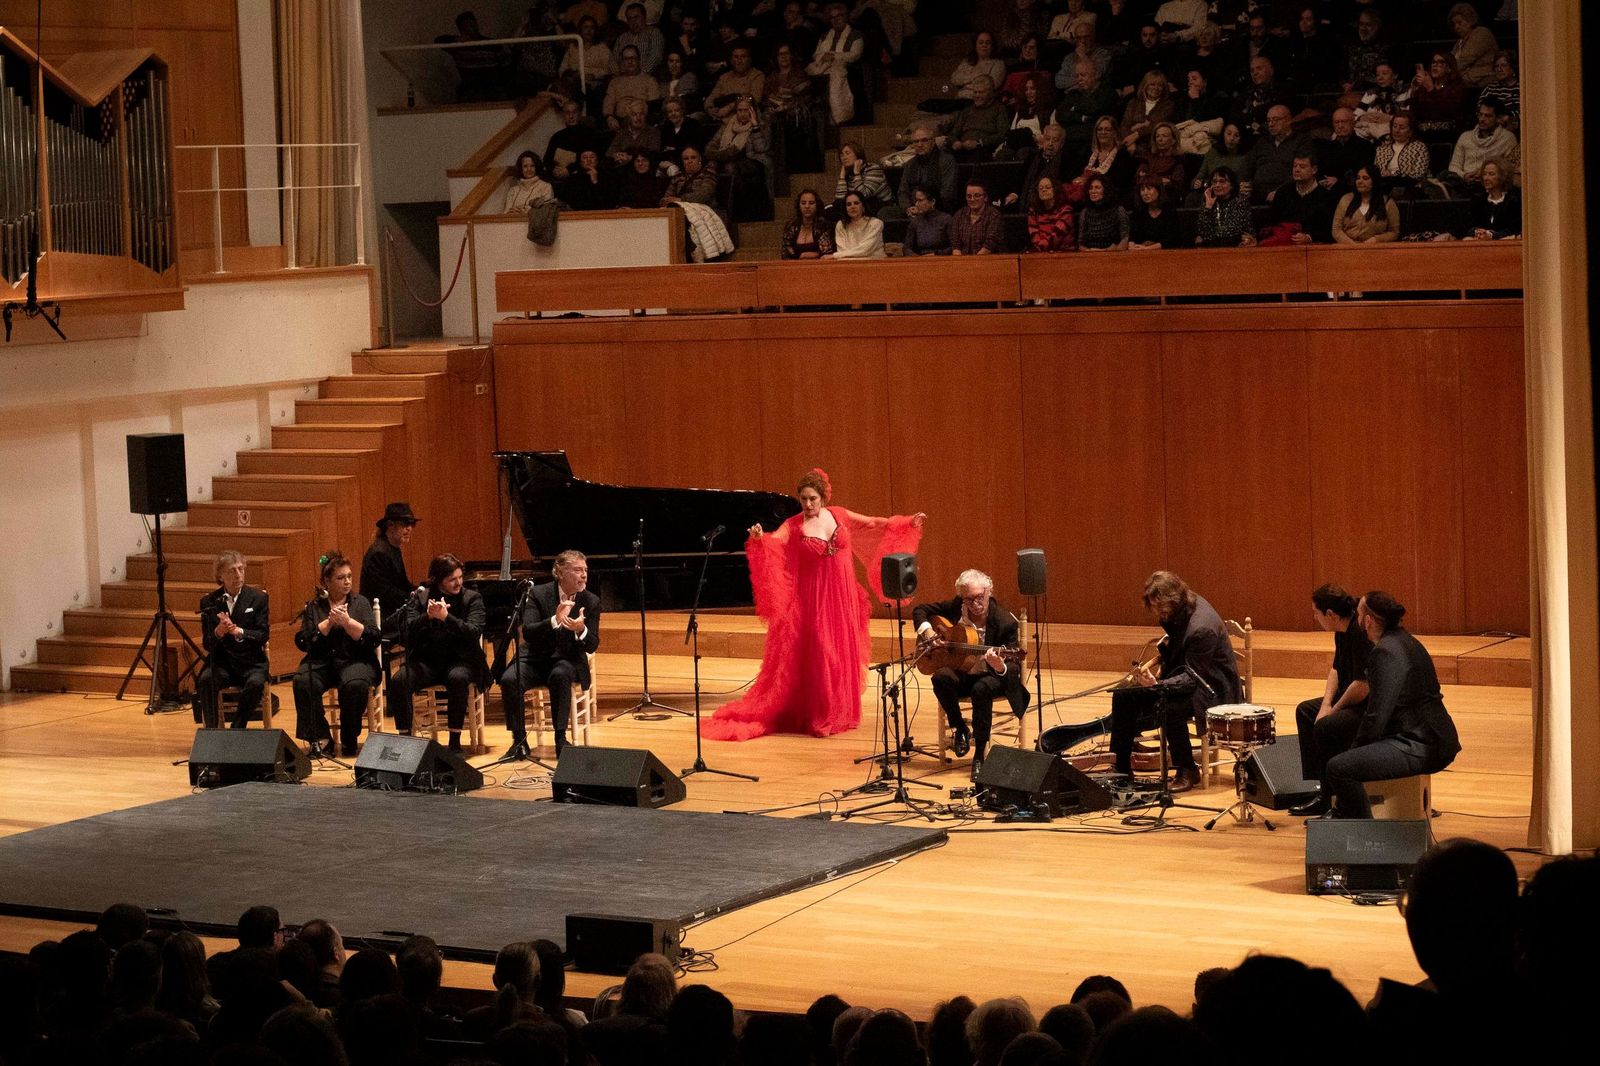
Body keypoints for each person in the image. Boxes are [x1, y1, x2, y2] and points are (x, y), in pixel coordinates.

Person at [700, 469, 923, 741]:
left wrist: (907, 522)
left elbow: (873, 524)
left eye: (813, 499)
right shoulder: (794, 525)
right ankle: (819, 714)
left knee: (841, 650)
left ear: (823, 497)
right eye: (804, 499)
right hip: (812, 601)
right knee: (821, 651)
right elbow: (775, 542)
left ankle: (840, 711)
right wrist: (760, 539)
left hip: (841, 597)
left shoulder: (839, 515)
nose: (808, 504)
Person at [1324, 591, 1461, 817]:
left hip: (1421, 743)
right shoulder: (1405, 640)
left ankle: (1360, 831)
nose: (1356, 620)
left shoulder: (1385, 652)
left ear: (1367, 621)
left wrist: (1355, 753)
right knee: (1340, 739)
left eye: (1358, 615)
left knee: (1340, 768)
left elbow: (1377, 716)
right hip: (1428, 735)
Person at [1108, 571, 1240, 792]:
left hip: (1212, 688)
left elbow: (1192, 679)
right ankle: (1121, 766)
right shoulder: (1182, 605)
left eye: (1162, 609)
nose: (1159, 614)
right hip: (1189, 677)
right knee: (1123, 696)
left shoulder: (1201, 628)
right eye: (1155, 608)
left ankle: (1187, 769)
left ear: (1174, 599)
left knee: (1169, 708)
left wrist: (1158, 685)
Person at [913, 570, 1029, 777]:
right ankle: (960, 729)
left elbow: (1012, 668)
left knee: (981, 689)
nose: (975, 603)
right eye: (969, 599)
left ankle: (979, 756)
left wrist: (999, 665)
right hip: (963, 673)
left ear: (989, 592)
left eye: (980, 597)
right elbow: (919, 610)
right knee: (941, 678)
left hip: (992, 678)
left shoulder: (1004, 621)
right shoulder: (956, 608)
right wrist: (928, 632)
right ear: (962, 597)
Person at [498, 550, 599, 760]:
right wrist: (555, 620)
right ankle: (519, 742)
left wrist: (581, 630)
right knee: (509, 679)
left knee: (560, 675)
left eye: (585, 570)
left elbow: (592, 645)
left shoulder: (591, 601)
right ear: (560, 572)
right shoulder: (538, 594)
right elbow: (528, 632)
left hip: (568, 659)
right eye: (578, 570)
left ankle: (561, 740)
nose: (584, 575)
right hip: (535, 657)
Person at [390, 553, 489, 752]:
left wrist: (446, 617)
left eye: (460, 577)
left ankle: (454, 741)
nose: (458, 582)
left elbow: (473, 632)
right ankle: (405, 739)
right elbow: (406, 631)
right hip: (427, 661)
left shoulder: (472, 598)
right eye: (452, 579)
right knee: (399, 680)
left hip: (461, 660)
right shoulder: (420, 597)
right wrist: (427, 616)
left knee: (457, 678)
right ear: (439, 580)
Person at [1288, 584, 1372, 816]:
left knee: (1326, 726)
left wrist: (1333, 710)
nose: (1315, 617)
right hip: (1351, 696)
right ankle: (1322, 792)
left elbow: (1362, 686)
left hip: (1367, 706)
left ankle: (1338, 801)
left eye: (1316, 612)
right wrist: (1325, 705)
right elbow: (1336, 669)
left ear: (1331, 615)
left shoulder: (1359, 633)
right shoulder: (1340, 630)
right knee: (1306, 711)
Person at [292, 551, 380, 758]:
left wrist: (348, 622)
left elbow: (374, 637)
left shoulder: (360, 603)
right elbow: (304, 642)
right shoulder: (314, 607)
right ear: (326, 582)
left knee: (354, 684)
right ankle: (321, 738)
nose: (347, 582)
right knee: (303, 681)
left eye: (349, 576)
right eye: (340, 578)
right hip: (323, 662)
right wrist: (329, 622)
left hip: (356, 660)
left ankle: (350, 738)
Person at [197, 551, 270, 730]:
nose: (238, 575)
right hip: (224, 663)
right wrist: (219, 632)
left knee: (255, 684)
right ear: (221, 576)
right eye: (232, 571)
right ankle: (212, 732)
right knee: (207, 679)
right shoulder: (209, 602)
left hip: (251, 662)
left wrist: (240, 632)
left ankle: (237, 727)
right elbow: (207, 643)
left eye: (240, 569)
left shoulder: (258, 598)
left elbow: (263, 635)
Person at [361, 502, 417, 638]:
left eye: (411, 524)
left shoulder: (392, 548)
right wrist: (413, 597)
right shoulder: (379, 552)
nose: (409, 529)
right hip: (382, 617)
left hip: (390, 611)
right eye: (405, 524)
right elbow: (385, 592)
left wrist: (421, 591)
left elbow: (401, 584)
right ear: (390, 525)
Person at [808, 3, 864, 126]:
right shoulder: (825, 36)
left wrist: (833, 55)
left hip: (847, 69)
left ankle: (839, 116)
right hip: (824, 69)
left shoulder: (855, 35)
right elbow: (816, 54)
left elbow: (855, 54)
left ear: (845, 17)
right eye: (832, 17)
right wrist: (824, 57)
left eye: (839, 16)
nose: (836, 20)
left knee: (837, 75)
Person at [1446, 100, 1518, 190]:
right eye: (1480, 114)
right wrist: (1465, 175)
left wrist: (1483, 174)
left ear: (1498, 118)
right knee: (1444, 176)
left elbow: (1510, 169)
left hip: (1492, 184)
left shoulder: (1507, 138)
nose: (1482, 119)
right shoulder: (1465, 137)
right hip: (1464, 183)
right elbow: (1454, 166)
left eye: (1488, 116)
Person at [1331, 164, 1400, 244]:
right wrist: (1352, 245)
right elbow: (1336, 230)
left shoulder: (1388, 203)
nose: (1360, 181)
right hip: (1347, 248)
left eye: (1365, 178)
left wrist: (1376, 240)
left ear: (1374, 181)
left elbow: (1394, 233)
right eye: (1358, 178)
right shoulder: (1346, 199)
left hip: (1375, 249)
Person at [897, 127, 958, 214]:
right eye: (916, 141)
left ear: (933, 141)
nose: (920, 144)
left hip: (937, 209)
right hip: (913, 209)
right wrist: (908, 208)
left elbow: (948, 193)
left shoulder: (946, 160)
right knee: (886, 212)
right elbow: (903, 191)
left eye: (924, 140)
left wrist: (925, 208)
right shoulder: (910, 164)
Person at [543, 98, 606, 181]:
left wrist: (569, 170)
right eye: (567, 113)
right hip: (558, 177)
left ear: (579, 114)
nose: (571, 116)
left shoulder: (589, 133)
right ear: (563, 115)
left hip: (582, 175)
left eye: (574, 112)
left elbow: (592, 157)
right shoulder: (557, 136)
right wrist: (554, 169)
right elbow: (547, 159)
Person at [1194, 165, 1253, 246]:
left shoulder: (1240, 203)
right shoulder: (1207, 204)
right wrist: (1208, 207)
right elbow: (1202, 232)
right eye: (1214, 182)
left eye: (1222, 181)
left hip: (1237, 247)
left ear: (1231, 185)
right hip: (1213, 248)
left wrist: (1208, 237)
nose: (1217, 185)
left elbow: (1234, 232)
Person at [832, 141, 892, 217]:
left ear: (858, 155)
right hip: (859, 205)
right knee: (834, 209)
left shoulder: (873, 169)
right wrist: (842, 176)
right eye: (842, 155)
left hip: (879, 205)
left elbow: (863, 195)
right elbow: (840, 200)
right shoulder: (849, 173)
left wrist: (857, 173)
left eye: (848, 153)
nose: (844, 157)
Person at [1466, 158, 1520, 239]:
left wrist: (1491, 235)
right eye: (1484, 174)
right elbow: (1468, 226)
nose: (1486, 178)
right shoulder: (1478, 200)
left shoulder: (1514, 201)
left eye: (1491, 174)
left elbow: (1514, 229)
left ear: (1502, 177)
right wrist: (1476, 231)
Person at [707, 44, 764, 120]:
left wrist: (729, 108)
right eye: (736, 57)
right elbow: (712, 97)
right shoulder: (724, 77)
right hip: (720, 116)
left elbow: (755, 99)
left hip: (746, 117)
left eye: (743, 57)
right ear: (731, 60)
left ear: (750, 59)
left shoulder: (757, 75)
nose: (739, 61)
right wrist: (710, 109)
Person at [1448, 3, 1498, 87]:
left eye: (1459, 22)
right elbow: (1450, 60)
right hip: (1467, 81)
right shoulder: (1459, 42)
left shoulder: (1481, 33)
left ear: (1470, 20)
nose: (1456, 27)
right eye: (1454, 24)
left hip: (1483, 81)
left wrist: (1446, 72)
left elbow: (1465, 59)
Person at [950, 181, 1006, 254]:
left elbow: (989, 245)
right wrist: (959, 262)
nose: (972, 199)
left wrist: (974, 263)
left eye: (977, 195)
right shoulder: (959, 215)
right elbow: (955, 244)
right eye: (969, 196)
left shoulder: (994, 215)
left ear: (985, 197)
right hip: (963, 261)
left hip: (988, 260)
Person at [1075, 174, 1127, 251]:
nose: (1093, 191)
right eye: (1090, 188)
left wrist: (1106, 251)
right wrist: (1089, 251)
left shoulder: (1119, 210)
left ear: (1106, 190)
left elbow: (1125, 240)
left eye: (1097, 188)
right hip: (1090, 255)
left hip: (1113, 255)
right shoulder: (1085, 213)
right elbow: (1081, 244)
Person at [781, 189, 835, 259]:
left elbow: (827, 252)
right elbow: (785, 252)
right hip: (795, 266)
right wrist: (801, 256)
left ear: (817, 205)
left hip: (819, 266)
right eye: (803, 203)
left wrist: (811, 255)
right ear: (799, 205)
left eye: (811, 203)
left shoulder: (824, 226)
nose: (807, 206)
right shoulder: (791, 225)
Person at [830, 191, 885, 258]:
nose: (852, 207)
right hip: (849, 263)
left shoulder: (876, 223)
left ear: (863, 206)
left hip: (874, 263)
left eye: (856, 203)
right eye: (849, 204)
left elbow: (865, 250)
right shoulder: (841, 224)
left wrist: (835, 255)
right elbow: (842, 250)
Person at [1026, 178, 1075, 252]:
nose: (1044, 190)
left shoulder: (1066, 210)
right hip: (1041, 251)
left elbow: (1058, 234)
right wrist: (1038, 248)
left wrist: (1040, 247)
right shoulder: (1033, 211)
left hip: (1064, 252)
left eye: (1048, 187)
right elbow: (1034, 233)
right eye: (1040, 188)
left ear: (1055, 190)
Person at [1128, 178, 1179, 248]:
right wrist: (1132, 245)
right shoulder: (1138, 212)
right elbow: (1132, 236)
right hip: (1141, 252)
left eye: (1149, 189)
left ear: (1159, 190)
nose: (1145, 193)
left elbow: (1173, 239)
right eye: (1142, 190)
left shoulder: (1169, 210)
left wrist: (1149, 248)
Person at [902, 186, 952, 255]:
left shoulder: (946, 219)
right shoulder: (916, 222)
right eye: (916, 200)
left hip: (941, 260)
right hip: (921, 261)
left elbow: (954, 247)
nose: (916, 204)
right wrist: (917, 259)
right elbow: (906, 248)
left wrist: (936, 254)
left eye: (920, 200)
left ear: (932, 202)